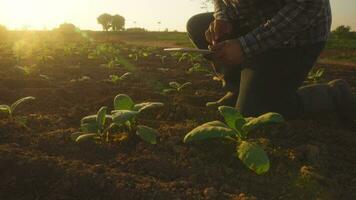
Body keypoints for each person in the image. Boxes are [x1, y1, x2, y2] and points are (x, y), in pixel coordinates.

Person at [187, 0, 356, 122]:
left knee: (255, 114)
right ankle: (237, 90)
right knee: (198, 25)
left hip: (297, 36)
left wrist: (245, 46)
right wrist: (222, 17)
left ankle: (334, 93)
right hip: (253, 22)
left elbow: (310, 5)